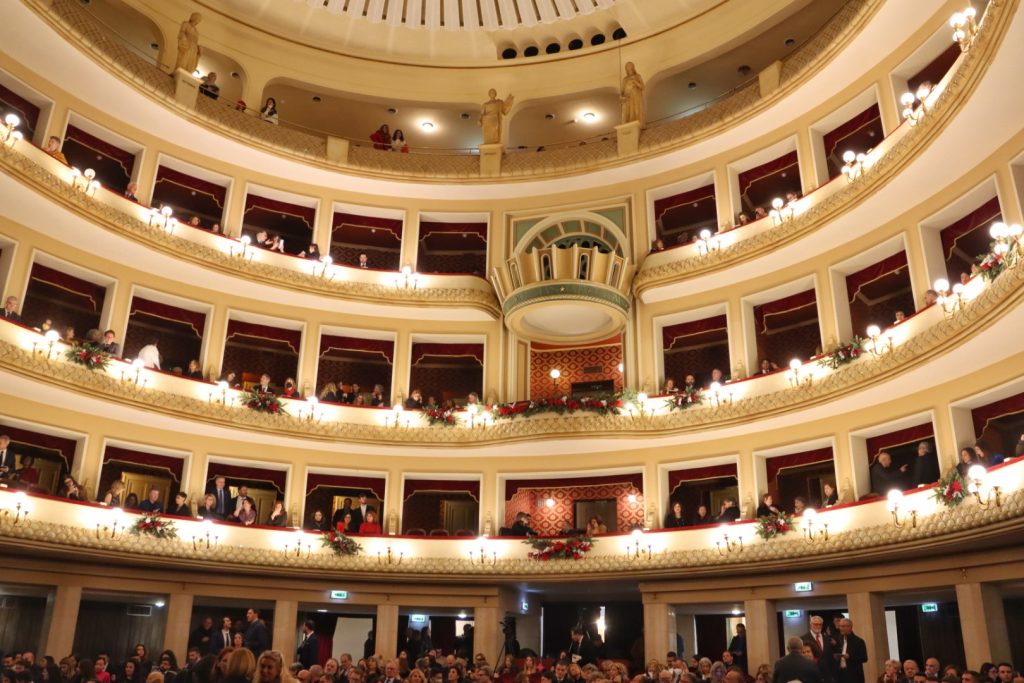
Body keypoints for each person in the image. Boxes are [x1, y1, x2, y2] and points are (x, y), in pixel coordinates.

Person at [832, 619, 867, 683]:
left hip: (854, 675)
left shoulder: (859, 641)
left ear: (849, 627)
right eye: (840, 626)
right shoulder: (837, 640)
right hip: (839, 675)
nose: (840, 628)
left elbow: (864, 658)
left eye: (842, 626)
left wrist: (850, 657)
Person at [801, 615, 833, 683]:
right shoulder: (803, 639)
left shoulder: (827, 638)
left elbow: (830, 657)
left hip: (827, 676)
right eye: (815, 624)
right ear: (810, 625)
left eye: (820, 624)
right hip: (811, 675)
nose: (818, 626)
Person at [620, 62, 645, 126]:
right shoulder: (624, 79)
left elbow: (642, 87)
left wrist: (635, 82)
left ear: (633, 67)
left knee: (636, 110)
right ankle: (629, 123)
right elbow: (622, 91)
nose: (629, 68)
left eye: (630, 66)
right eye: (627, 67)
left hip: (636, 96)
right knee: (628, 112)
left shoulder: (637, 76)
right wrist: (622, 96)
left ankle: (638, 123)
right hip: (628, 98)